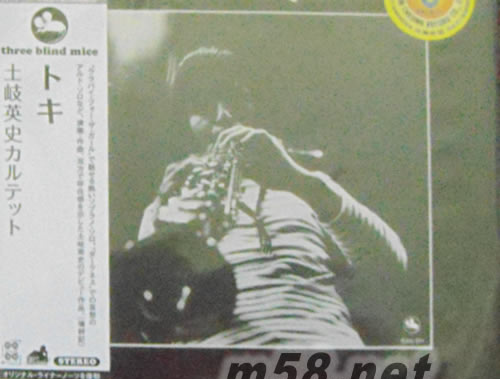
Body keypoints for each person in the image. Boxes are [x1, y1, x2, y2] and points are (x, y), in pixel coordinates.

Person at [128, 46, 408, 347]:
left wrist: (297, 180)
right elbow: (153, 314)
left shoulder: (304, 182)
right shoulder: (166, 205)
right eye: (203, 105)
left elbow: (390, 266)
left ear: (254, 105)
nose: (224, 115)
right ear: (186, 122)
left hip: (322, 350)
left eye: (234, 97)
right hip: (218, 364)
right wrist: (163, 216)